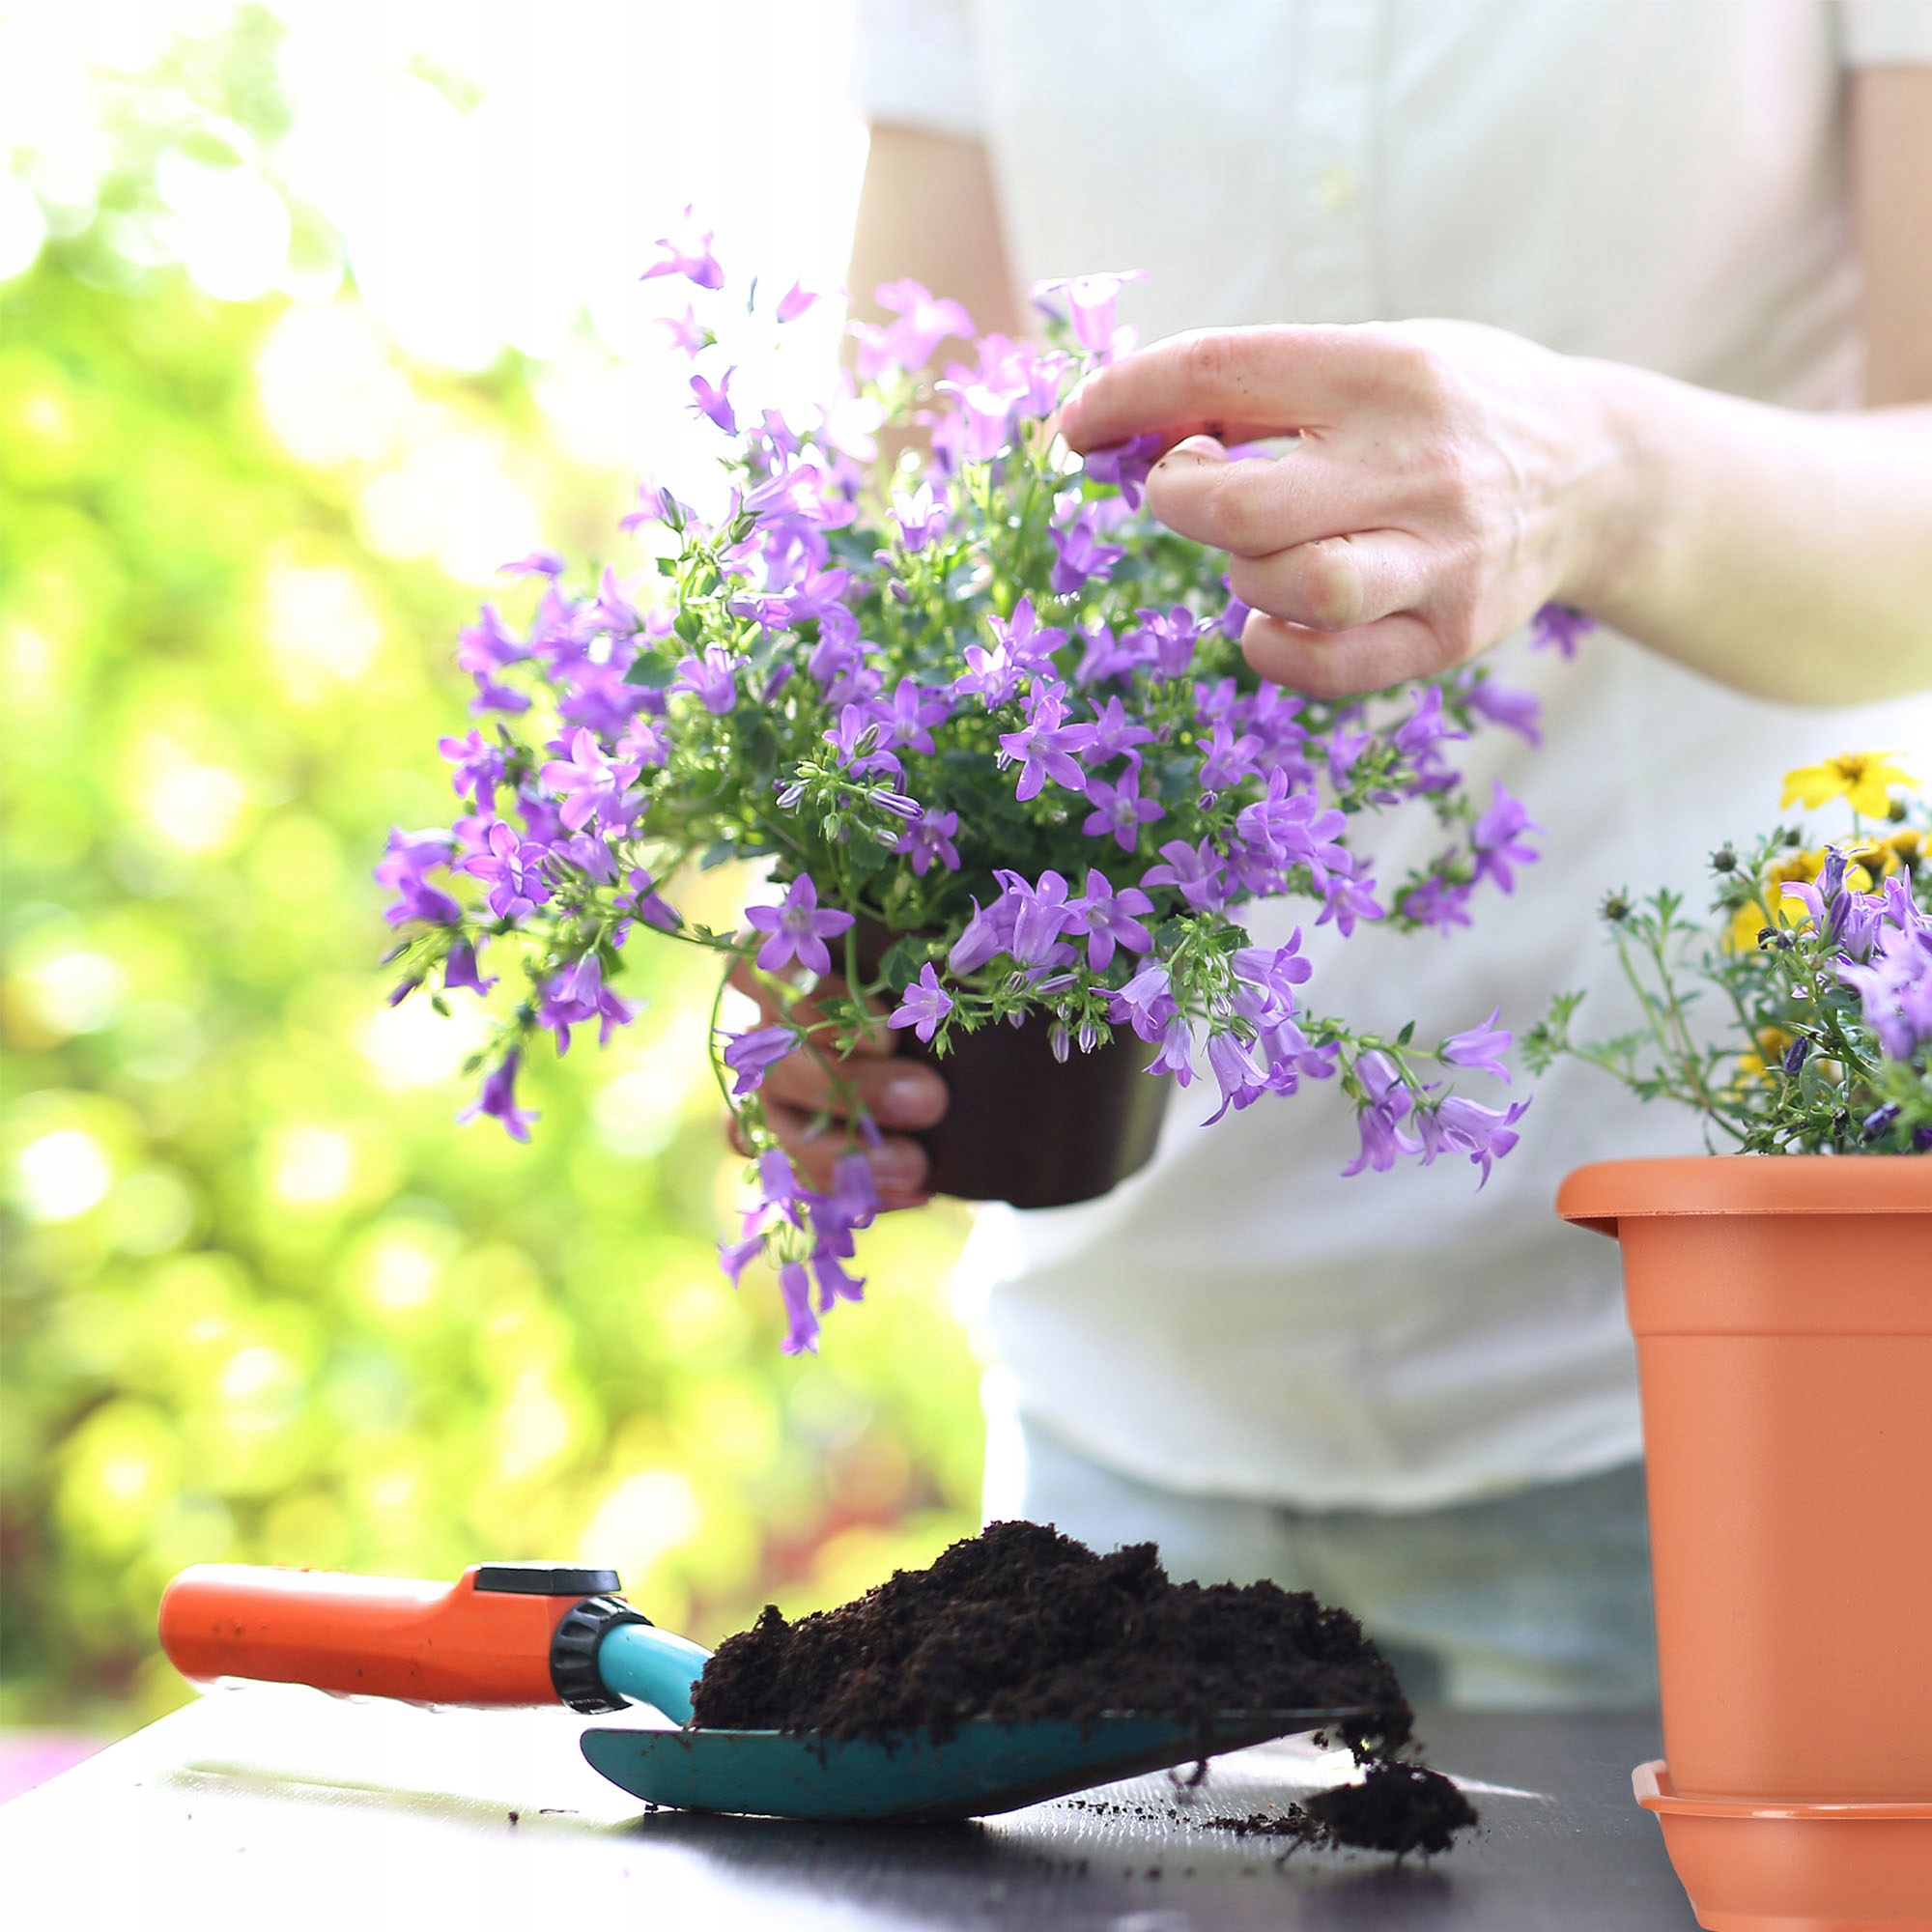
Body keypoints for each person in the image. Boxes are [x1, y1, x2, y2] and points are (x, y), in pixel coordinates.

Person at [740, 0, 1932, 1707]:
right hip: (1129, 1388)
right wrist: (847, 917)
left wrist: (1591, 476)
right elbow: (909, 514)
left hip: (1686, 1365)